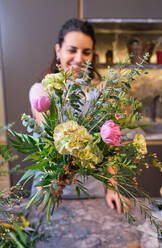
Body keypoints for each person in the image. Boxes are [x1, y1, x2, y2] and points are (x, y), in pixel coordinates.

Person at [29, 18, 129, 214]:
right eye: (72, 50)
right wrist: (53, 182)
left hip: (94, 193)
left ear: (93, 55)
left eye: (86, 52)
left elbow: (111, 147)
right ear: (58, 50)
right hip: (52, 188)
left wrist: (112, 188)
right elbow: (52, 142)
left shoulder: (103, 92)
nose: (79, 58)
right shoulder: (40, 91)